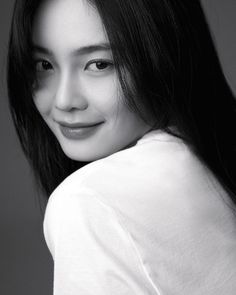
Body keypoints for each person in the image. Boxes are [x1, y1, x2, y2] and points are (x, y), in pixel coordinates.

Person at [7, 0, 236, 294]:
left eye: (100, 64)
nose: (64, 100)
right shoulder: (212, 160)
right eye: (45, 65)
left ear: (164, 54)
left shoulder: (90, 200)